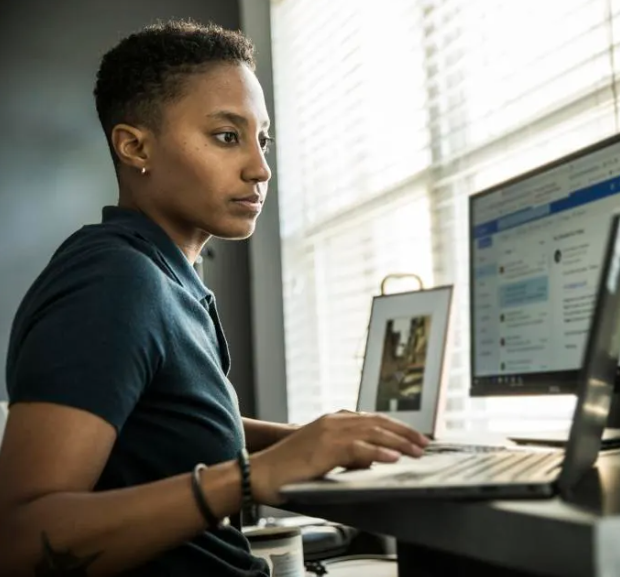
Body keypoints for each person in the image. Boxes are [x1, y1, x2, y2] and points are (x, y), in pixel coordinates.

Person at [0, 19, 428, 577]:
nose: (260, 167)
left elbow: (162, 423)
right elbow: (18, 540)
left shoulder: (164, 276)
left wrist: (307, 440)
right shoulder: (114, 282)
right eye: (227, 136)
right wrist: (251, 478)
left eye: (262, 138)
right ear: (134, 146)